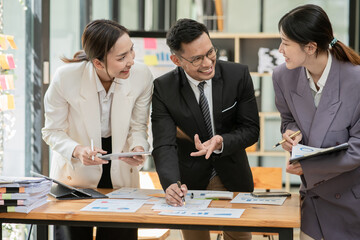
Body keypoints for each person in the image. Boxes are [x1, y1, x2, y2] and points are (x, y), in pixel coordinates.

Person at [42, 19, 153, 240]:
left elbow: (138, 126)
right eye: (121, 58)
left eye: (131, 51)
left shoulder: (141, 76)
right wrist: (77, 150)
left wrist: (137, 146)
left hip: (120, 172)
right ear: (99, 63)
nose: (131, 61)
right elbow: (52, 131)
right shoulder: (66, 78)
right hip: (74, 176)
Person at [151, 18, 259, 240]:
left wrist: (221, 142)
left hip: (232, 174)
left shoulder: (237, 75)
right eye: (197, 58)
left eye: (211, 52)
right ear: (176, 60)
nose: (208, 63)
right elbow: (164, 143)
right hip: (188, 182)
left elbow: (251, 129)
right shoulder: (164, 88)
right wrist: (171, 182)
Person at [272, 4, 360, 240]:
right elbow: (288, 119)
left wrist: (308, 166)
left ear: (310, 47)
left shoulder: (356, 80)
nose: (280, 50)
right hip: (312, 201)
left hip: (351, 202)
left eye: (285, 42)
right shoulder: (283, 76)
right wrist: (291, 134)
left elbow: (358, 149)